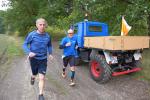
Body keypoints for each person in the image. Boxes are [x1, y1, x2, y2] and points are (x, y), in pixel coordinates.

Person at [23, 18, 53, 100]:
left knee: (42, 78)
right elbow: (25, 44)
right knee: (34, 73)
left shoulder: (47, 36)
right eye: (40, 24)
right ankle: (32, 77)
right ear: (37, 25)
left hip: (43, 59)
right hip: (34, 59)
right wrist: (29, 52)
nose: (42, 26)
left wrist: (50, 53)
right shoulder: (32, 35)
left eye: (44, 24)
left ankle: (40, 95)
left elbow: (49, 45)